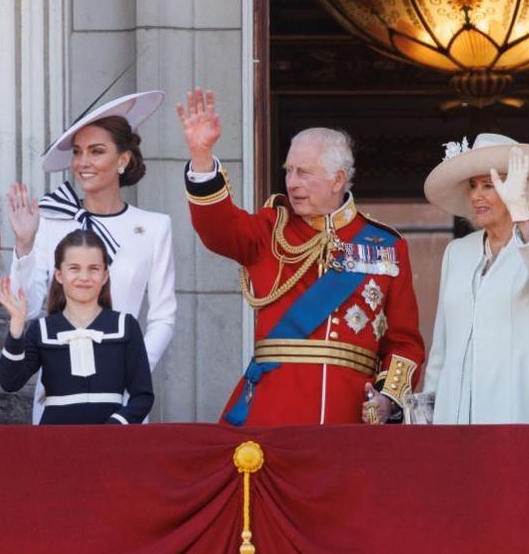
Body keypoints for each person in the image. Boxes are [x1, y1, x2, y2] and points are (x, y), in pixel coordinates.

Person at [176, 88, 425, 426]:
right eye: (289, 170)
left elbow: (404, 341)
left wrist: (387, 399)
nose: (292, 183)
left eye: (304, 172)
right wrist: (202, 157)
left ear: (337, 179)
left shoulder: (385, 245)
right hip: (274, 410)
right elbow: (218, 228)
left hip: (349, 413)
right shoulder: (270, 229)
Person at [6, 91, 175, 424]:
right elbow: (27, 305)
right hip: (58, 396)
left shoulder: (154, 227)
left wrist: (130, 369)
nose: (83, 163)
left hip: (122, 398)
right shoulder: (51, 220)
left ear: (123, 160)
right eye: (79, 152)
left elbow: (163, 318)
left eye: (97, 152)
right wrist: (25, 244)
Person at [420, 134, 529, 424]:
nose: (476, 195)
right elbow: (442, 345)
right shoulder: (458, 252)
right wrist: (430, 408)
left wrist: (520, 212)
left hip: (523, 406)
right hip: (456, 413)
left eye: (489, 185)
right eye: (473, 186)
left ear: (520, 190)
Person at [0, 230, 154, 425]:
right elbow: (10, 382)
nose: (84, 277)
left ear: (105, 276)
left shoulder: (125, 326)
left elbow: (143, 396)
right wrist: (17, 324)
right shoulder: (42, 330)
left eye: (93, 268)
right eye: (74, 268)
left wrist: (115, 426)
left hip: (111, 445)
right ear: (59, 275)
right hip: (56, 443)